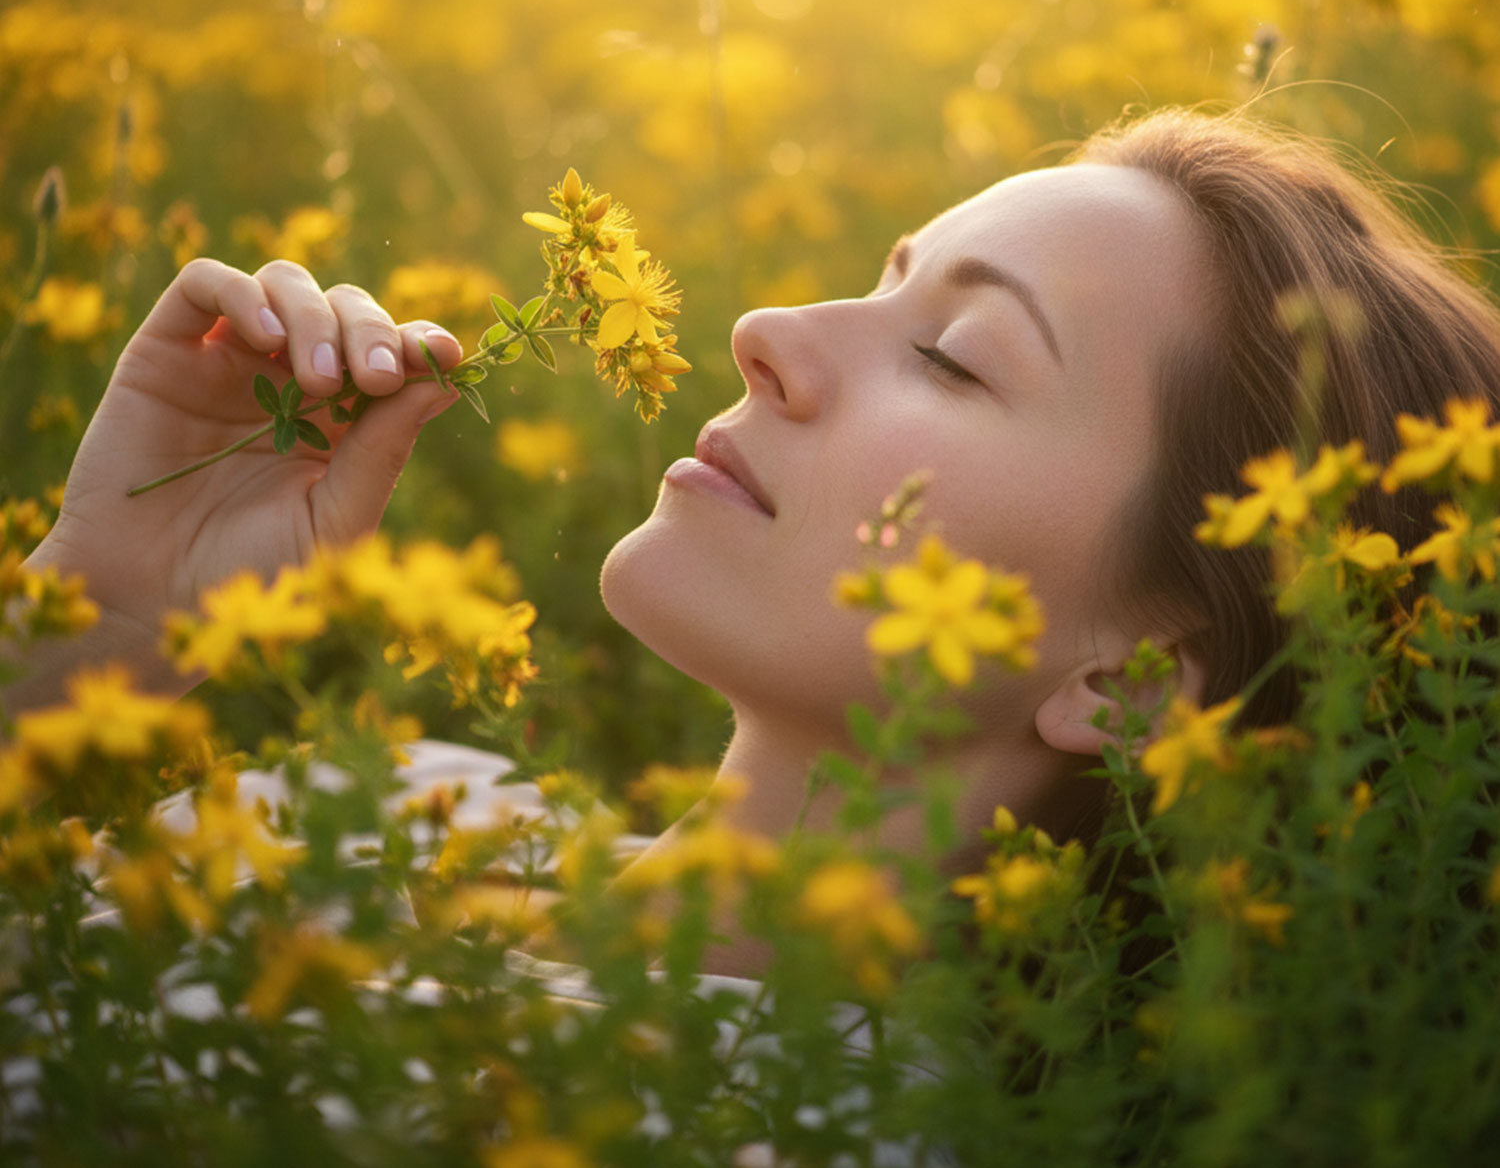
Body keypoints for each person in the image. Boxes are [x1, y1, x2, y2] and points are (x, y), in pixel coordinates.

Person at [13, 106, 1500, 972]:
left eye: (960, 357)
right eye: (879, 278)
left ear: (1132, 687)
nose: (768, 332)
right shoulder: (418, 804)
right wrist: (108, 626)